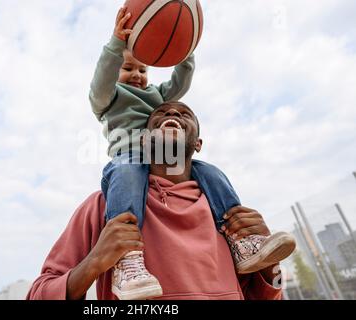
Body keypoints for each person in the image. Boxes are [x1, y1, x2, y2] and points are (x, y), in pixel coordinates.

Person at [88, 6, 295, 300]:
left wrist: (186, 49)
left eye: (142, 69)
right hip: (130, 157)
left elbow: (180, 83)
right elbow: (100, 82)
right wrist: (116, 44)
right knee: (126, 174)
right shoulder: (110, 97)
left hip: (167, 160)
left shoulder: (157, 98)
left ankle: (240, 241)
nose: (136, 74)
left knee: (211, 172)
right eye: (128, 68)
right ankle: (127, 257)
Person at [27, 102, 294, 300]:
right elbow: (38, 294)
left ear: (198, 143)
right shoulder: (104, 207)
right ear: (143, 140)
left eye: (184, 113)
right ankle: (128, 265)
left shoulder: (227, 214)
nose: (173, 114)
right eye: (162, 114)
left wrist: (269, 266)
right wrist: (94, 262)